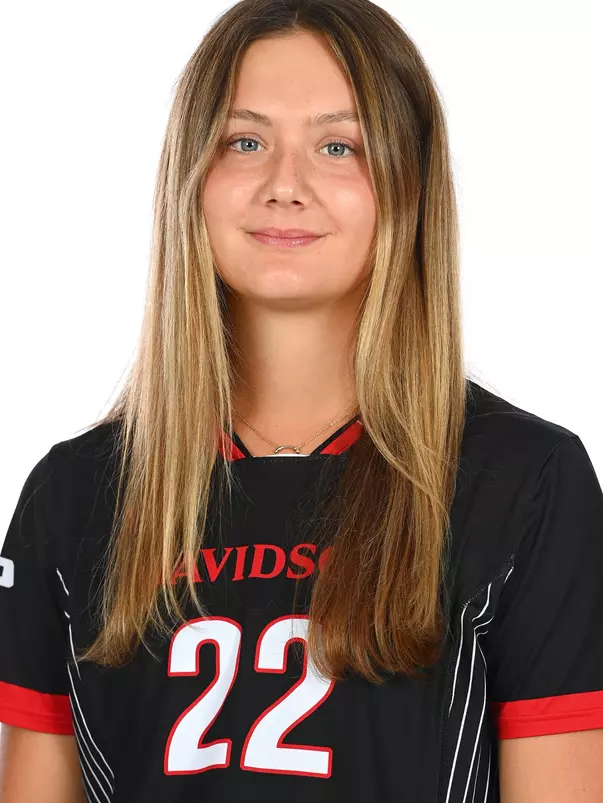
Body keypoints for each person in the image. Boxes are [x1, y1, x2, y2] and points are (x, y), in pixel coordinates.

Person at [1, 0, 602, 800]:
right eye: (244, 142)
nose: (285, 185)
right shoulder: (75, 493)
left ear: (407, 184)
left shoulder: (523, 479)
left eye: (337, 145)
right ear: (192, 179)